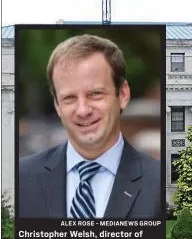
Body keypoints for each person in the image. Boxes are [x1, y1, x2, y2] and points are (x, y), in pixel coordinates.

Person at [18, 34, 161, 219]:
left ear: (123, 94)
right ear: (56, 105)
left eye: (95, 94)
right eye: (69, 98)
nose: (83, 110)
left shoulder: (159, 182)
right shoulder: (20, 180)